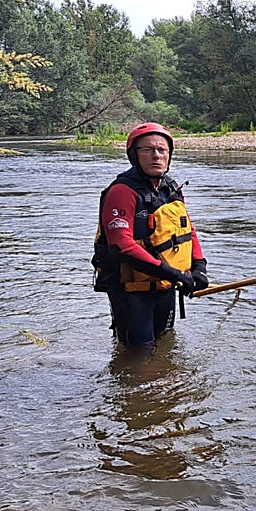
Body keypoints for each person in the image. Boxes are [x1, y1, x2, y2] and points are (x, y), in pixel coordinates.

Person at [92, 122, 209, 350]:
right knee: (137, 354)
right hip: (131, 292)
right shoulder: (121, 192)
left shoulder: (172, 188)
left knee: (165, 343)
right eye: (147, 150)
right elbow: (121, 245)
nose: (156, 155)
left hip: (166, 286)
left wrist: (199, 268)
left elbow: (188, 231)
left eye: (161, 150)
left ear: (169, 154)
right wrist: (173, 273)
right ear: (134, 155)